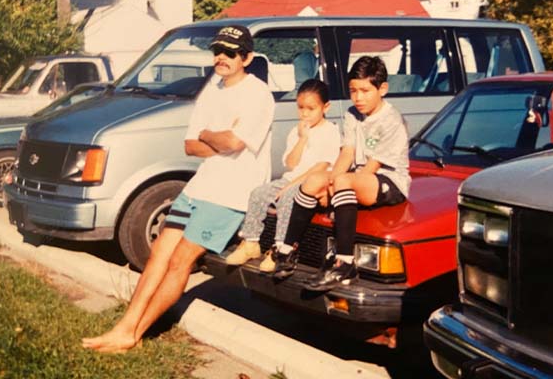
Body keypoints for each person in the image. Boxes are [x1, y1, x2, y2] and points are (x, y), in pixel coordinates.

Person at [81, 25, 275, 353]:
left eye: (230, 53)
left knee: (180, 262)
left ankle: (133, 334)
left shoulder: (258, 95)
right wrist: (222, 137)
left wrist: (212, 135)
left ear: (247, 57)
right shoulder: (212, 89)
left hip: (230, 195)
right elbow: (190, 145)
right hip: (200, 186)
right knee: (158, 254)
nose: (222, 58)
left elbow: (233, 141)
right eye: (218, 51)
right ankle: (124, 327)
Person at [271, 56, 410, 291]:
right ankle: (287, 249)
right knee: (314, 179)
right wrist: (328, 182)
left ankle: (345, 263)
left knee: (342, 180)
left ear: (382, 89)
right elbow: (347, 153)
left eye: (365, 91)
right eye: (353, 90)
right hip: (357, 177)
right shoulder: (352, 114)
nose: (358, 97)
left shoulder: (392, 120)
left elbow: (372, 167)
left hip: (388, 181)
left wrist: (336, 192)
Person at [225, 79, 340, 271]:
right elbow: (290, 163)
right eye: (300, 108)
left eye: (311, 109)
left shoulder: (331, 132)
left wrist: (289, 185)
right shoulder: (297, 131)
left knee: (288, 197)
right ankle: (251, 243)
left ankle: (280, 248)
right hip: (290, 179)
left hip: (312, 182)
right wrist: (302, 139)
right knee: (258, 193)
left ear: (325, 107)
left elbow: (321, 166)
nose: (304, 114)